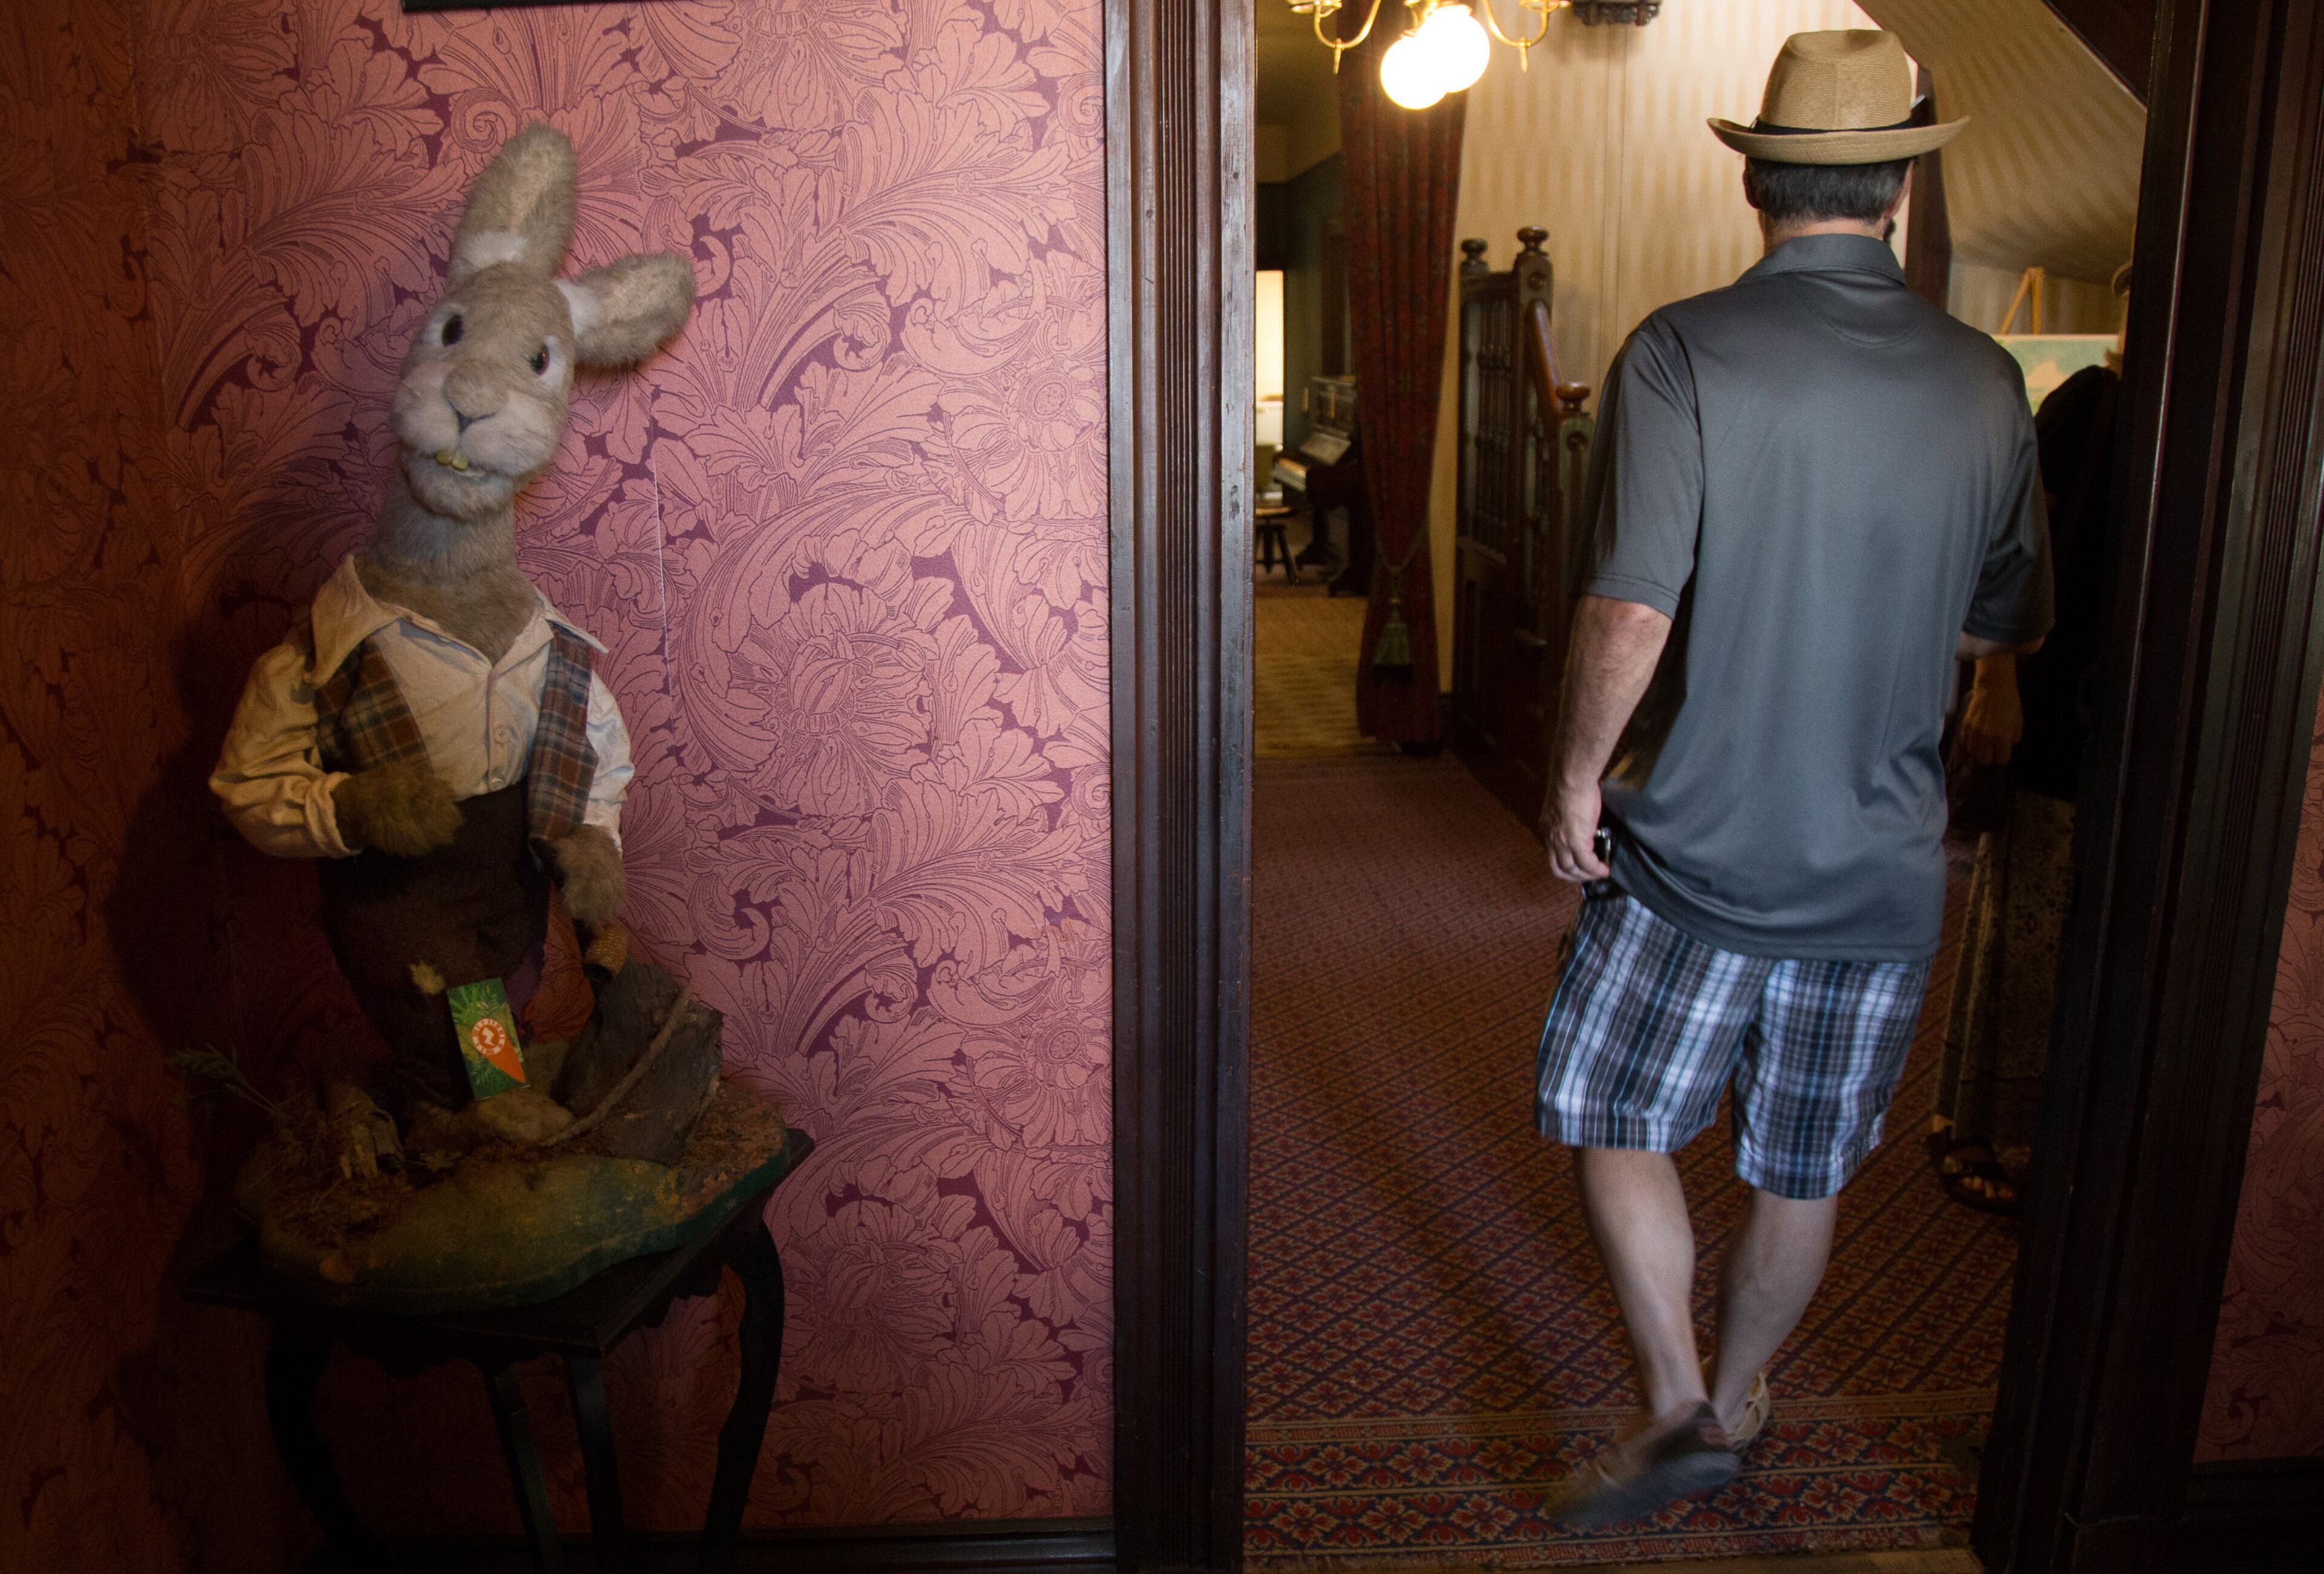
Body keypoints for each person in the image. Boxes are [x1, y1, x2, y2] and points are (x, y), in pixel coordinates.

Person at [1531, 30, 2053, 1529]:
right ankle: (1748, 1399)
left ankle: (1676, 1400)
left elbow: (1634, 608)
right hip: (1882, 866)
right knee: (1804, 1164)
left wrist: (1575, 780)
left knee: (1621, 1116)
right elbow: (1995, 617)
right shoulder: (1987, 381)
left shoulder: (1687, 348)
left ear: (1759, 178)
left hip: (1695, 849)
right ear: (1899, 189)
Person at [1931, 267, 2129, 1214]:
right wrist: (1995, 684)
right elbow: (2006, 548)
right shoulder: (2092, 401)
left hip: (2130, 723)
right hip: (2054, 709)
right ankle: (1986, 1125)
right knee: (2028, 922)